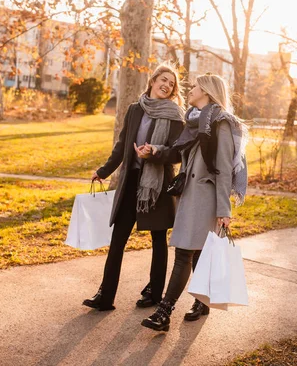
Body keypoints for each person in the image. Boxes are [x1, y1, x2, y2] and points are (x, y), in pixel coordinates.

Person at [135, 73, 248, 331]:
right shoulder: (194, 122)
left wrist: (223, 209)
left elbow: (222, 170)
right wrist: (155, 150)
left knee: (184, 252)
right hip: (189, 195)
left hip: (206, 199)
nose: (190, 89)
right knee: (195, 251)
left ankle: (164, 312)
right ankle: (202, 302)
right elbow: (177, 152)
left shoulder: (220, 124)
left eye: (195, 86)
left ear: (206, 91)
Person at [83, 63, 185, 311]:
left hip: (157, 187)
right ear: (152, 81)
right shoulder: (134, 110)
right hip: (131, 184)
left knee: (158, 241)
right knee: (117, 241)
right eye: (163, 79)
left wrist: (155, 152)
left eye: (171, 83)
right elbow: (122, 145)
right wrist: (104, 171)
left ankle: (154, 294)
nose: (167, 85)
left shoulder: (175, 116)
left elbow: (177, 154)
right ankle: (105, 296)